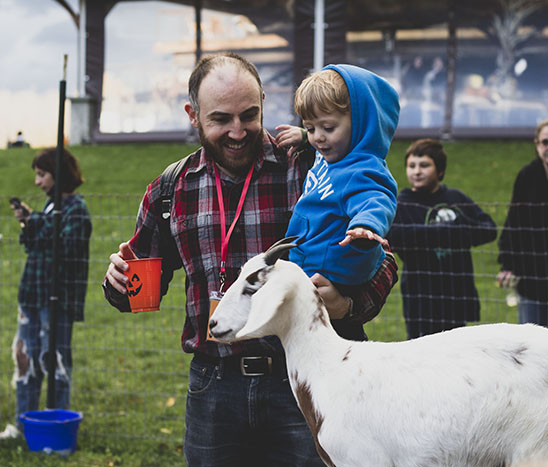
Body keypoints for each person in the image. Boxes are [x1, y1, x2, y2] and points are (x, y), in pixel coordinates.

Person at [102, 52, 398, 466]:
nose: (238, 131)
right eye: (221, 118)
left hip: (306, 381)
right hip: (214, 389)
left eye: (249, 114)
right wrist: (118, 283)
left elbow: (384, 261)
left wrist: (348, 305)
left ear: (262, 100)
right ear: (193, 114)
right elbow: (137, 294)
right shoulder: (171, 190)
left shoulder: (313, 164)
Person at [0, 147, 92, 439]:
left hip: (56, 299)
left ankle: (57, 423)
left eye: (42, 175)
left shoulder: (76, 209)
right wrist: (29, 221)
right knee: (26, 359)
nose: (37, 182)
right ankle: (23, 424)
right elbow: (39, 244)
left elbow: (66, 248)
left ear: (59, 175)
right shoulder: (50, 207)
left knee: (55, 361)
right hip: (32, 296)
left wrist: (36, 222)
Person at [284, 65, 399, 316]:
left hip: (328, 272)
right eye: (311, 127)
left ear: (359, 124)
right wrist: (304, 137)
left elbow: (376, 197)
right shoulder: (333, 154)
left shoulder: (362, 168)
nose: (319, 138)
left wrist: (366, 225)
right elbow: (319, 140)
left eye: (327, 127)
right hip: (308, 258)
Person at [388, 139, 497, 339]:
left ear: (440, 170)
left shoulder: (456, 199)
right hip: (421, 297)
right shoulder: (402, 204)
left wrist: (456, 231)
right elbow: (394, 237)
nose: (417, 171)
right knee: (423, 354)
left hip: (456, 293)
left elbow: (488, 228)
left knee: (460, 350)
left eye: (424, 165)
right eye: (411, 166)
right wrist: (444, 232)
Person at [497, 119, 548, 326]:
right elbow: (514, 220)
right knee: (533, 341)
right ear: (536, 144)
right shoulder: (527, 176)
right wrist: (508, 264)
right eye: (545, 142)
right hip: (532, 273)